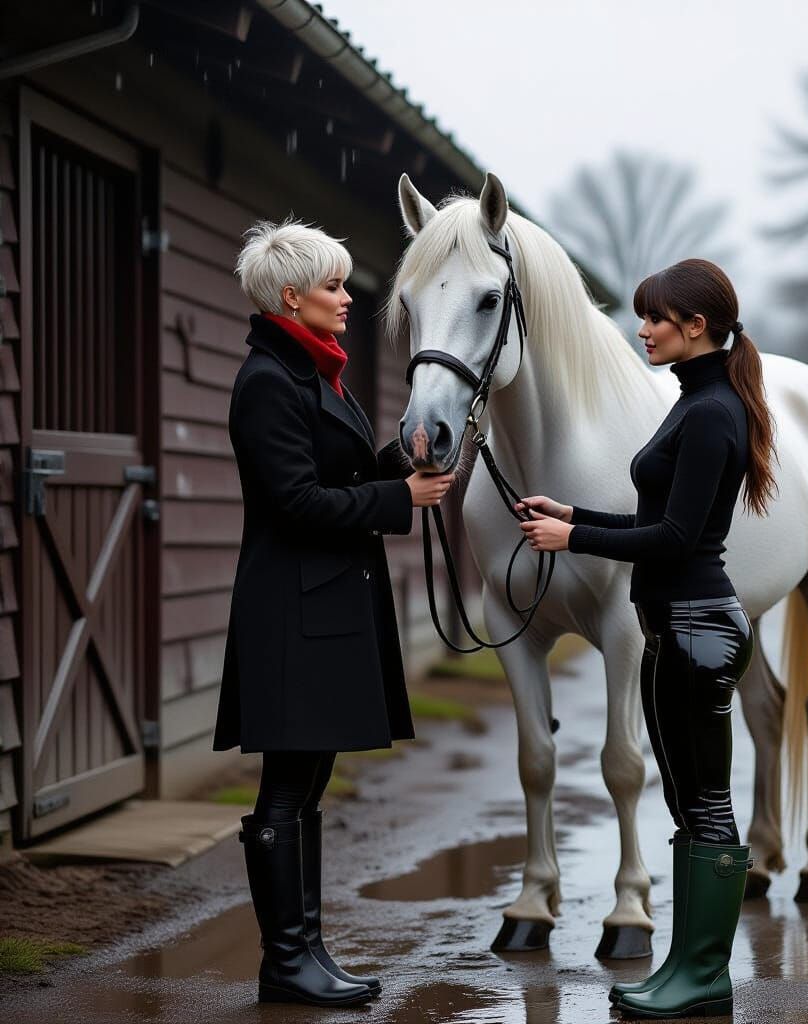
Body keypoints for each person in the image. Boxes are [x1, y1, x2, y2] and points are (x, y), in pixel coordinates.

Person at [517, 258, 777, 1020]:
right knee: (688, 801)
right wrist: (572, 517)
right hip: (679, 626)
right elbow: (656, 523)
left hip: (698, 629)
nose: (642, 330)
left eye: (656, 319)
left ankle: (702, 974)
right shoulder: (695, 402)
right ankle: (684, 968)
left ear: (696, 326)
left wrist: (576, 539)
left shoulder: (710, 414)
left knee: (705, 804)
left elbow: (675, 538)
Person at [212, 218, 454, 1008]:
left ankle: (306, 950)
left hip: (322, 605)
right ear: (292, 296)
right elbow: (295, 501)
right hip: (291, 609)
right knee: (286, 786)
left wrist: (399, 455)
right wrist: (400, 498)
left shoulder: (312, 372)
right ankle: (286, 961)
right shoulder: (268, 382)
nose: (347, 299)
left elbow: (334, 469)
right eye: (333, 286)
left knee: (307, 782)